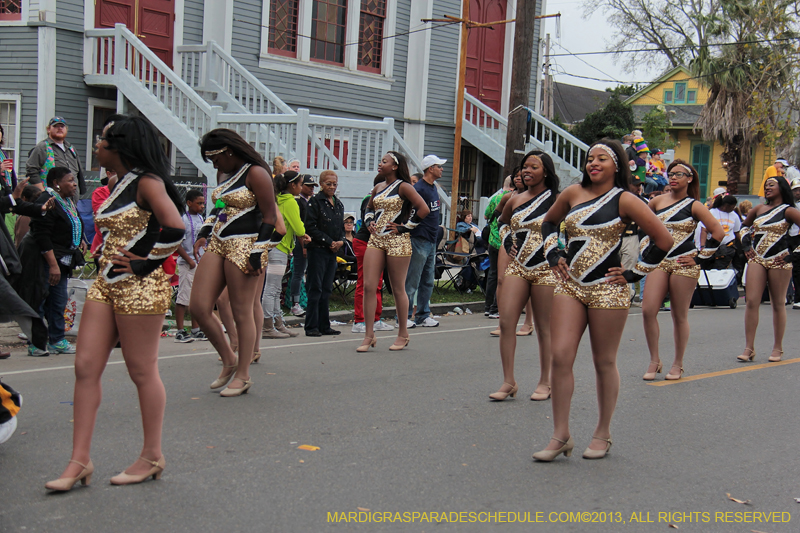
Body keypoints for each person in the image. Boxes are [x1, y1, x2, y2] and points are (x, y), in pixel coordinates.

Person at [45, 115, 186, 491]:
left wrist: (145, 262)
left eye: (102, 140)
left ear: (119, 145)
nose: (96, 145)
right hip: (105, 284)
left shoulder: (148, 182)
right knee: (85, 366)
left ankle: (152, 455)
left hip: (141, 287)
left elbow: (175, 227)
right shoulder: (117, 182)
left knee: (141, 371)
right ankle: (79, 461)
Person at [533, 139, 673, 461]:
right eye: (589, 159)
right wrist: (553, 253)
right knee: (560, 356)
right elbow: (549, 222)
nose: (593, 163)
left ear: (617, 166)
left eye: (601, 159)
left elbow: (663, 240)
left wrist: (633, 274)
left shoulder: (626, 200)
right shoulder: (571, 194)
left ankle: (602, 432)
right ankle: (560, 435)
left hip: (608, 290)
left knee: (603, 361)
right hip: (571, 286)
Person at [190, 128, 281, 397]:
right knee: (199, 306)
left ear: (227, 151)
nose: (214, 165)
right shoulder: (224, 174)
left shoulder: (257, 173)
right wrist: (204, 232)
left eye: (215, 158)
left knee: (242, 311)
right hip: (218, 242)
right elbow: (218, 206)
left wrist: (258, 252)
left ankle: (243, 374)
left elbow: (270, 216)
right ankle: (228, 358)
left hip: (245, 244)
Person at [640, 160, 724, 381]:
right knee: (648, 310)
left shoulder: (695, 205)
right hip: (659, 262)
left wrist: (699, 258)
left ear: (690, 178)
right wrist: (646, 252)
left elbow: (718, 232)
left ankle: (678, 363)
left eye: (679, 174)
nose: (673, 177)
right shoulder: (656, 202)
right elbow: (643, 229)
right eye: (670, 173)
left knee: (679, 315)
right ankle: (654, 360)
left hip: (682, 263)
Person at [490, 150, 559, 402]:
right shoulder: (514, 199)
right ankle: (509, 381)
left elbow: (571, 228)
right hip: (518, 267)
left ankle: (546, 381)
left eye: (533, 167)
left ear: (546, 172)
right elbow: (502, 222)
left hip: (545, 270)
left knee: (544, 327)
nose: (527, 171)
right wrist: (508, 239)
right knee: (507, 322)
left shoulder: (558, 199)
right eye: (524, 167)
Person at [358, 151, 430, 352]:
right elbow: (369, 208)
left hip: (398, 241)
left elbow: (423, 209)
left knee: (399, 288)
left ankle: (402, 333)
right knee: (370, 285)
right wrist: (369, 222)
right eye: (380, 161)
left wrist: (404, 227)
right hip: (376, 240)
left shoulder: (404, 186)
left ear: (395, 166)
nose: (380, 164)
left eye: (385, 161)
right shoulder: (378, 187)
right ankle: (369, 334)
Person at [25, 167, 88, 355]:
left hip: (63, 260)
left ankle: (57, 340)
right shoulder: (47, 200)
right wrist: (52, 265)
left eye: (75, 180)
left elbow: (72, 222)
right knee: (41, 301)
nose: (75, 184)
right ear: (56, 183)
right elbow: (42, 235)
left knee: (59, 302)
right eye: (70, 180)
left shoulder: (67, 201)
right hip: (46, 260)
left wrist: (80, 239)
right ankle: (36, 343)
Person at [736, 176, 800, 363]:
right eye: (766, 185)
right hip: (757, 259)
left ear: (782, 187)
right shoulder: (758, 209)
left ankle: (777, 347)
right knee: (752, 301)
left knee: (778, 303)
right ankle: (749, 348)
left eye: (771, 185)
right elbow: (743, 228)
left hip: (779, 261)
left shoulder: (789, 211)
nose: (768, 187)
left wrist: (792, 254)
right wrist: (747, 246)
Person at [262, 171, 309, 339]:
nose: (302, 187)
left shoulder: (277, 199)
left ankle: (278, 323)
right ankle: (268, 326)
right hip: (279, 248)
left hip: (273, 246)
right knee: (272, 289)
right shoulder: (290, 202)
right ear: (293, 185)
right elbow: (299, 228)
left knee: (274, 290)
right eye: (300, 184)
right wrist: (304, 233)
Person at [493, 170, 535, 337]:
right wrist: (505, 233)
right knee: (501, 279)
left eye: (521, 175)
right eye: (516, 175)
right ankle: (503, 321)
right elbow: (497, 215)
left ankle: (528, 322)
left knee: (528, 280)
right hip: (509, 239)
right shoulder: (508, 197)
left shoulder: (534, 197)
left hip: (528, 241)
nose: (518, 177)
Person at [304, 170, 346, 337]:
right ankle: (311, 326)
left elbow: (341, 228)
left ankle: (324, 325)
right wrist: (329, 242)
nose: (332, 187)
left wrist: (341, 241)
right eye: (328, 184)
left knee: (327, 288)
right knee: (315, 288)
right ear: (321, 184)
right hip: (318, 250)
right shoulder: (315, 203)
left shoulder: (339, 204)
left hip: (332, 252)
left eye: (334, 184)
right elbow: (311, 228)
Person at [405, 155, 444, 329]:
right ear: (430, 169)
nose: (441, 169)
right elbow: (410, 211)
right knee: (412, 280)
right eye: (439, 166)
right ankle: (404, 316)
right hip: (419, 238)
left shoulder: (433, 187)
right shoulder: (419, 188)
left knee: (428, 280)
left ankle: (423, 314)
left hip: (432, 240)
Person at [351, 176, 394, 334]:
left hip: (378, 244)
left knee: (377, 283)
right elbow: (371, 221)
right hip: (364, 242)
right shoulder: (370, 199)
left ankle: (375, 318)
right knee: (365, 282)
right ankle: (359, 320)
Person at [174, 189, 207, 343]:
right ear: (189, 203)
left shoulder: (201, 218)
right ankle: (180, 330)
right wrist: (189, 260)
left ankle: (195, 329)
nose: (202, 206)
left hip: (199, 264)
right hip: (188, 264)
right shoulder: (183, 220)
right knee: (183, 297)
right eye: (199, 203)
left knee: (195, 298)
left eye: (203, 203)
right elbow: (177, 244)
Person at [25, 117, 85, 195]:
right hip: (51, 199)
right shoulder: (42, 147)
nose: (59, 128)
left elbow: (79, 173)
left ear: (66, 129)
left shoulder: (71, 148)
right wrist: (43, 193)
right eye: (55, 126)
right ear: (48, 129)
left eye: (62, 126)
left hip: (71, 201)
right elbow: (31, 171)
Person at [483, 177, 513, 319]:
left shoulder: (495, 198)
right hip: (505, 240)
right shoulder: (513, 197)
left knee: (492, 274)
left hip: (492, 239)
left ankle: (488, 307)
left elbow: (486, 215)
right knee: (504, 276)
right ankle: (497, 307)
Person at [289, 175, 317, 317]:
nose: (311, 188)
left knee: (305, 273)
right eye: (308, 185)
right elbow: (298, 226)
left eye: (313, 186)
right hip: (301, 242)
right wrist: (304, 245)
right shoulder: (298, 201)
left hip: (309, 241)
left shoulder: (308, 201)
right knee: (298, 273)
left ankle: (304, 301)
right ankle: (295, 303)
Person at [699, 195, 741, 270]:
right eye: (733, 206)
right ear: (726, 206)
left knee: (720, 269)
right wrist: (702, 246)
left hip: (727, 248)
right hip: (711, 247)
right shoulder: (711, 212)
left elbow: (737, 232)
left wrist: (744, 246)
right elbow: (704, 230)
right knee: (707, 269)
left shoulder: (734, 215)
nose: (733, 208)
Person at [791, 179, 800, 309]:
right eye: (795, 190)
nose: (798, 192)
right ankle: (797, 297)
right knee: (796, 269)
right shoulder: (787, 205)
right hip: (791, 238)